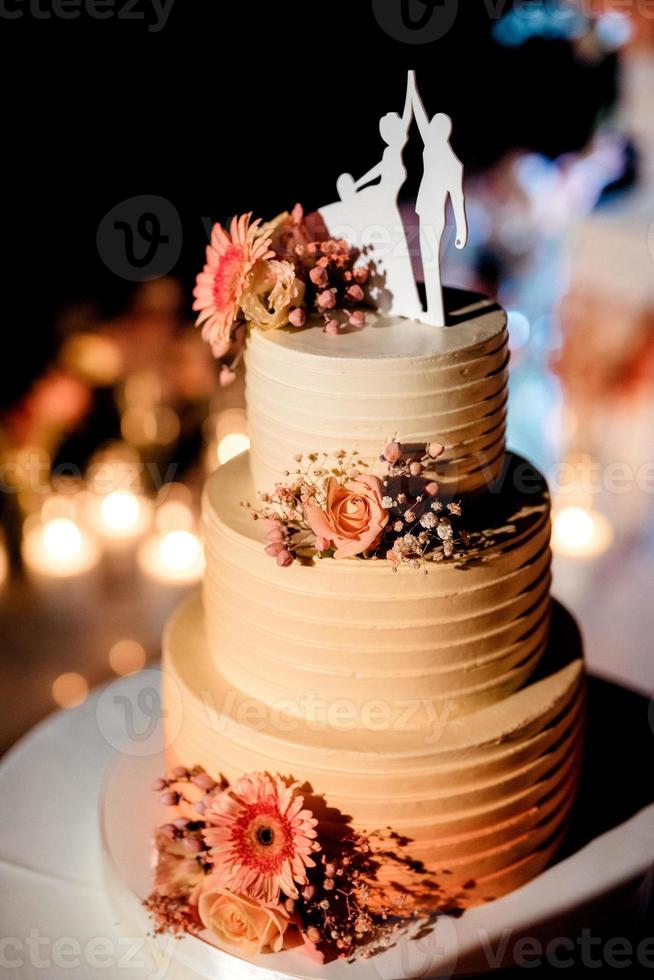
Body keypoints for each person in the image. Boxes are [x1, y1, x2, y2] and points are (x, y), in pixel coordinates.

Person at [319, 74, 422, 318]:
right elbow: (373, 173)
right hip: (380, 197)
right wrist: (356, 186)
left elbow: (408, 116)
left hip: (387, 198)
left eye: (388, 129)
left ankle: (403, 301)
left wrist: (410, 92)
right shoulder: (388, 151)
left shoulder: (398, 148)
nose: (385, 133)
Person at [408, 69, 468, 326]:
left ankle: (431, 309)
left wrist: (462, 230)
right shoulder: (431, 148)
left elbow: (456, 199)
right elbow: (420, 119)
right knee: (423, 259)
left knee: (430, 262)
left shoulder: (452, 163)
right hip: (422, 209)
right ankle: (424, 305)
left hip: (436, 216)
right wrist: (412, 89)